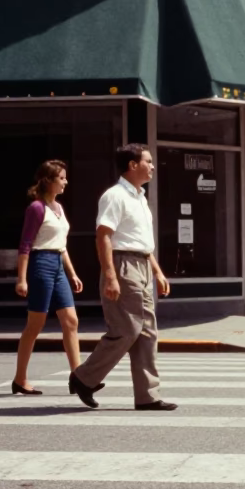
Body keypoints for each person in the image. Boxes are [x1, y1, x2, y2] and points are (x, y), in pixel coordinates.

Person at [68, 144, 175, 411]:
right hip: (122, 265)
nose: (152, 166)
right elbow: (104, 236)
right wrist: (110, 276)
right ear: (132, 165)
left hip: (141, 263)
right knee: (128, 330)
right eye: (148, 161)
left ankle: (147, 396)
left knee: (148, 333)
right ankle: (84, 377)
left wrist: (157, 271)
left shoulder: (140, 197)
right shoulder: (114, 196)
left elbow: (140, 242)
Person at [12, 160, 84, 396]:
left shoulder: (59, 208)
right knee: (35, 325)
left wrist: (72, 273)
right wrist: (22, 279)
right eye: (61, 177)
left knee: (71, 321)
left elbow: (62, 246)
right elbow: (25, 245)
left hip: (58, 266)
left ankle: (79, 378)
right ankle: (20, 379)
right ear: (48, 180)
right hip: (40, 263)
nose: (66, 181)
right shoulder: (36, 208)